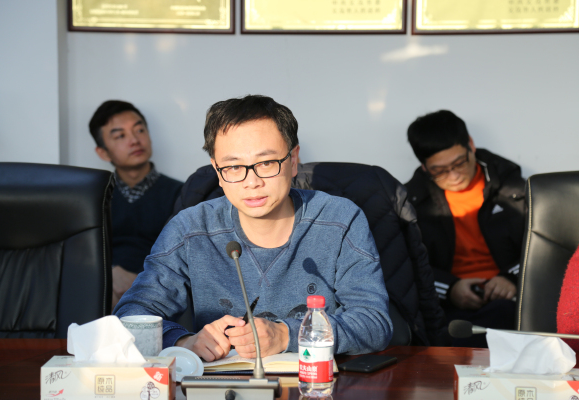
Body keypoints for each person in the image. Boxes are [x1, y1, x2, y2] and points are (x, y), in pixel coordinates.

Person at [115, 95, 392, 360]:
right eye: (234, 167)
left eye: (267, 163)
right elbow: (129, 318)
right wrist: (183, 342)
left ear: (293, 160)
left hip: (315, 383)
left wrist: (286, 335)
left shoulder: (339, 219)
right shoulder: (190, 229)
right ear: (217, 171)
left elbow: (374, 322)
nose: (252, 182)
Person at [404, 110, 525, 347]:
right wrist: (450, 289)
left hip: (510, 299)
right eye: (439, 170)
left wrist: (511, 278)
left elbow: (542, 250)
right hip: (448, 305)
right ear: (424, 167)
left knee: (503, 316)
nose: (454, 175)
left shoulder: (514, 188)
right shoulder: (411, 202)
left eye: (459, 162)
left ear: (471, 145)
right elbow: (408, 266)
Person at [89, 100, 182, 310]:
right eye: (120, 136)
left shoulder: (181, 193)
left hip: (161, 290)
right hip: (105, 287)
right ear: (103, 152)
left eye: (139, 130)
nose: (134, 140)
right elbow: (81, 252)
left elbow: (183, 255)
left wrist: (142, 280)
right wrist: (109, 272)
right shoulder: (93, 198)